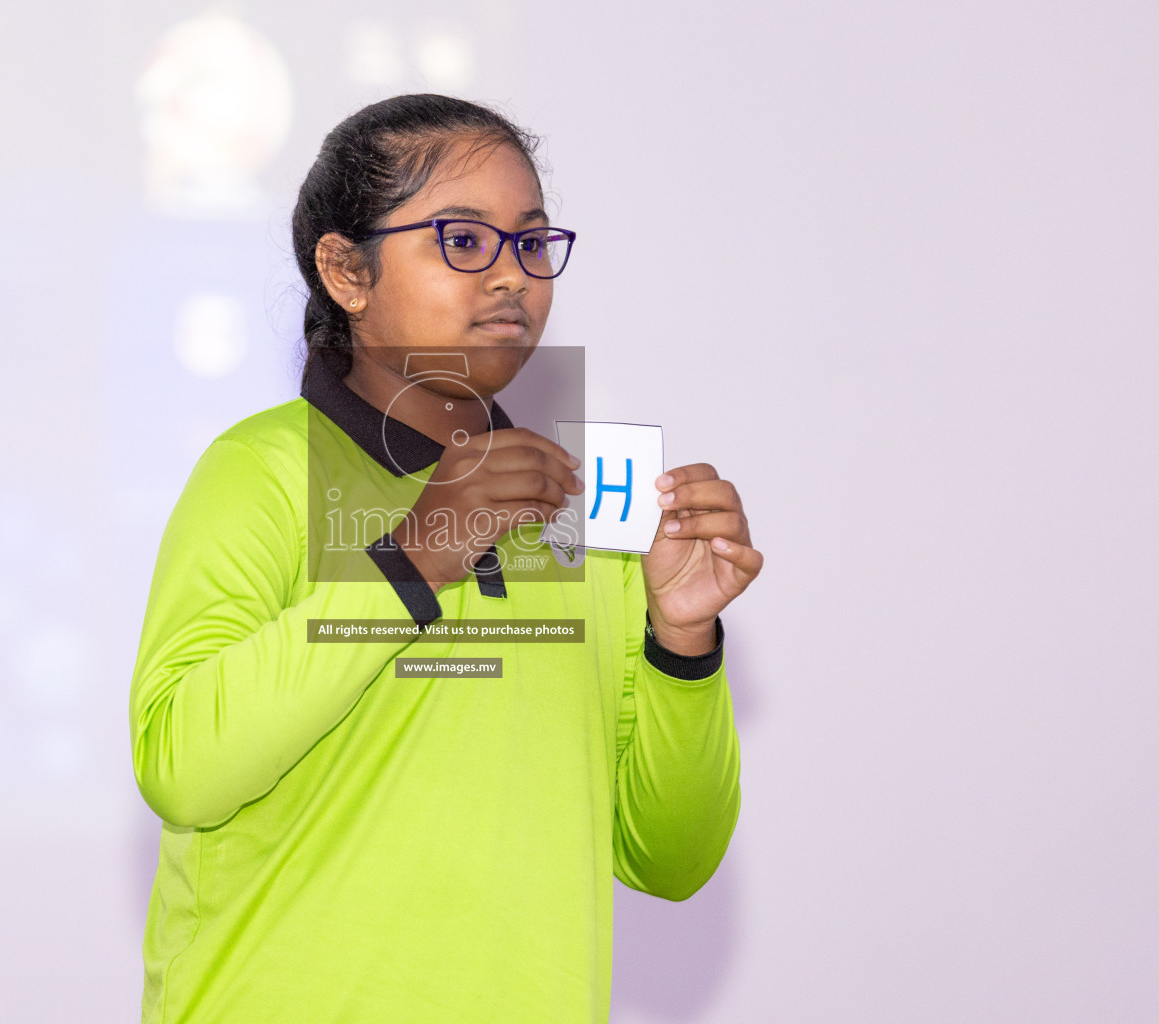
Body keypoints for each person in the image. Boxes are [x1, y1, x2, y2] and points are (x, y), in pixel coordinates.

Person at [129, 93, 763, 1024]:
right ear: (347, 270)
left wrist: (683, 640)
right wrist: (418, 556)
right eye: (463, 240)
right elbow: (183, 767)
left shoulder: (587, 520)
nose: (513, 276)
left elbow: (670, 859)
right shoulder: (259, 473)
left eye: (533, 243)